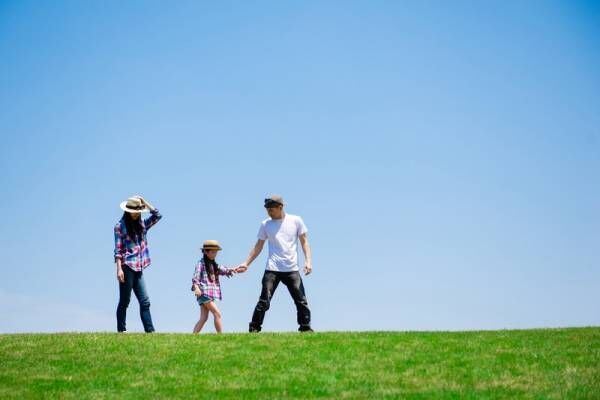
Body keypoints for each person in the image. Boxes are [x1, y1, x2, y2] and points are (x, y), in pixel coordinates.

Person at [238, 195, 314, 332]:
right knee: (264, 300)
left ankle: (305, 328)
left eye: (271, 210)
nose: (269, 212)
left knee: (301, 301)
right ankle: (254, 328)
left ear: (281, 207)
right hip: (272, 269)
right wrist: (246, 263)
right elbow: (258, 246)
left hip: (291, 269)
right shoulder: (266, 224)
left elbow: (304, 242)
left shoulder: (296, 221)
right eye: (267, 210)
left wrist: (308, 261)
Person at [113, 195, 162, 333]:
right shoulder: (119, 226)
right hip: (126, 267)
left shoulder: (142, 225)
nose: (136, 214)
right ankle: (121, 331)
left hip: (139, 268)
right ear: (128, 211)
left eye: (139, 211)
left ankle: (150, 331)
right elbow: (118, 250)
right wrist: (119, 270)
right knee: (125, 302)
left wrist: (143, 200)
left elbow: (157, 215)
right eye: (134, 211)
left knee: (145, 301)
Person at [191, 240, 242, 334]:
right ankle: (220, 335)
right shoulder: (201, 263)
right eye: (213, 252)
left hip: (208, 294)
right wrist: (196, 288)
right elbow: (195, 277)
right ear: (206, 252)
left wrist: (234, 269)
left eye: (216, 252)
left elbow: (223, 269)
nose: (215, 254)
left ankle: (193, 336)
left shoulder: (213, 264)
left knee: (204, 318)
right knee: (217, 313)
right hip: (204, 293)